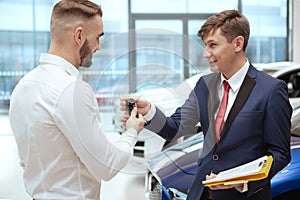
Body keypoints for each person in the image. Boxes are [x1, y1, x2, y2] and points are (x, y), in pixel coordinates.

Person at [120, 9, 292, 200]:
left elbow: (280, 154)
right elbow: (175, 128)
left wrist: (245, 181)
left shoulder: (271, 90)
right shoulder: (205, 85)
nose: (205, 54)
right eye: (205, 46)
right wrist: (150, 111)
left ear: (238, 43)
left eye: (213, 45)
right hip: (201, 193)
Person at [9, 0, 145, 199]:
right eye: (98, 37)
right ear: (79, 35)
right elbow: (107, 166)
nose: (98, 47)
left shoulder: (23, 86)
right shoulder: (72, 89)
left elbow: (30, 158)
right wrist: (132, 130)